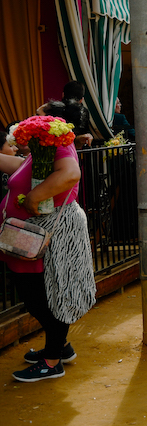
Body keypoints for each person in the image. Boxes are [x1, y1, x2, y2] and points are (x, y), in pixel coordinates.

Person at [1, 100, 95, 382]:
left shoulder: (60, 143)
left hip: (48, 234)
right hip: (32, 235)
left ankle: (52, 361)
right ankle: (59, 348)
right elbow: (22, 166)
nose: (32, 119)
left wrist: (32, 198)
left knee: (46, 296)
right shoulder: (44, 150)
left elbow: (70, 174)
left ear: (54, 122)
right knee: (40, 295)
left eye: (39, 116)